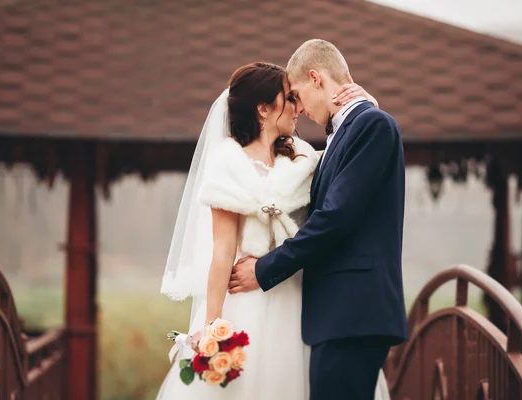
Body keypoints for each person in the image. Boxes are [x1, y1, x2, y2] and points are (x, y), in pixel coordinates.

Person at [157, 61, 388, 399]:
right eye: (289, 98)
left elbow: (349, 156)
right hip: (247, 301)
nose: (298, 107)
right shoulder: (227, 164)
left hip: (303, 300)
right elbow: (222, 252)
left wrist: (366, 110)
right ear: (264, 109)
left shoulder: (305, 157)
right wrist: (211, 328)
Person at [229, 39, 408, 400]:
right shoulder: (350, 130)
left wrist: (265, 269)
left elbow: (335, 219)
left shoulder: (371, 125)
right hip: (340, 315)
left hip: (353, 313)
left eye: (295, 95)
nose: (297, 108)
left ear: (316, 78)